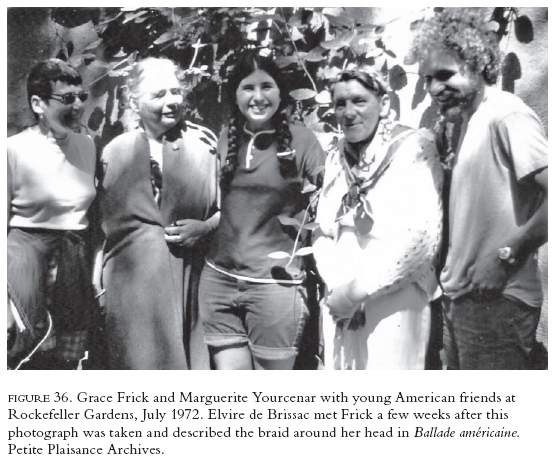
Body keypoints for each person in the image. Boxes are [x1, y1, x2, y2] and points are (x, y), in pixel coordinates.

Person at [410, 9, 548, 370]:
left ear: (478, 63)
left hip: (498, 304)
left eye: (444, 75)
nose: (434, 88)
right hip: (463, 302)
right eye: (428, 79)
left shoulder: (506, 115)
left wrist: (506, 258)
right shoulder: (470, 122)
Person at [199, 52, 326, 370]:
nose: (258, 97)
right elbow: (228, 210)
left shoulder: (303, 141)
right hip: (218, 282)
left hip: (274, 287)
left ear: (280, 91)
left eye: (266, 86)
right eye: (247, 88)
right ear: (235, 95)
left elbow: (332, 194)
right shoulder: (228, 137)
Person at [312, 67, 444, 370]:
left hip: (394, 297)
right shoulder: (337, 154)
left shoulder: (414, 148)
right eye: (340, 104)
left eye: (359, 101)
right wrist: (338, 289)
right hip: (341, 297)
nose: (348, 112)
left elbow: (422, 241)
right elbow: (322, 229)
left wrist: (359, 291)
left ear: (383, 104)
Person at [98, 57, 219, 370]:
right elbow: (100, 229)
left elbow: (228, 210)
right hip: (132, 289)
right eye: (158, 95)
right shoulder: (115, 151)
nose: (171, 101)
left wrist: (205, 227)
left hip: (189, 281)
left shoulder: (203, 146)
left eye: (175, 92)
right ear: (135, 103)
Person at [7, 59, 97, 370]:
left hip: (74, 263)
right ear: (37, 103)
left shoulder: (87, 146)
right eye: (67, 98)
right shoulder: (13, 150)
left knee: (66, 362)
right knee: (23, 359)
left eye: (81, 97)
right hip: (25, 266)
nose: (77, 106)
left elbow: (93, 219)